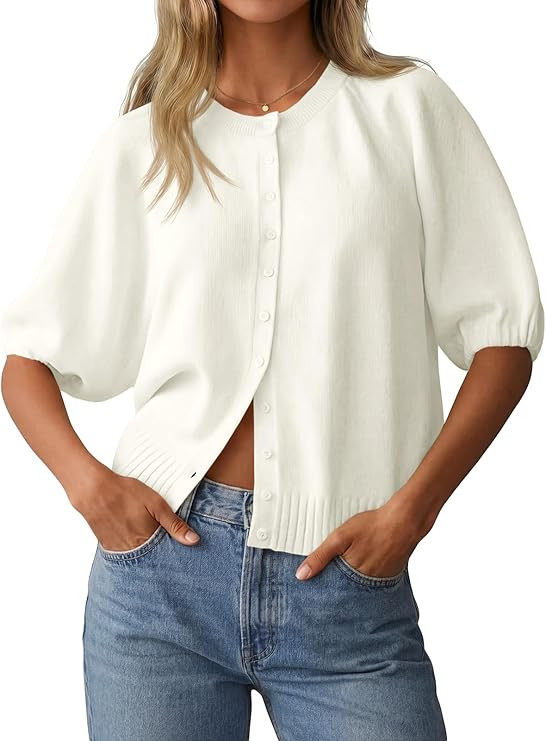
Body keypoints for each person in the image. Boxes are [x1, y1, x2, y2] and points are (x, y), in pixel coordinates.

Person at [1, 1, 543, 739]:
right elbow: (29, 358)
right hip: (158, 584)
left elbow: (503, 339)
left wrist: (414, 510)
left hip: (347, 583)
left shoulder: (408, 108)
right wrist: (89, 487)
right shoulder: (147, 141)